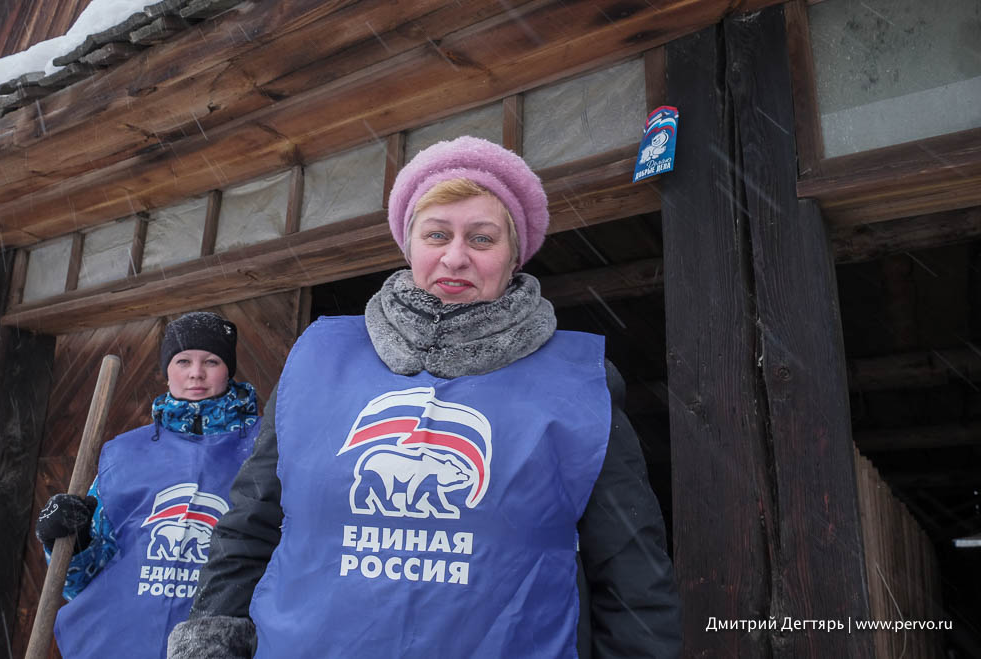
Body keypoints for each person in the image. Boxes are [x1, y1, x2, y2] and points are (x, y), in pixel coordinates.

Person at [168, 137, 681, 658]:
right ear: (408, 244)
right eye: (436, 234)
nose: (455, 257)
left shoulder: (578, 383)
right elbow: (248, 526)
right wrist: (210, 636)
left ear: (514, 256)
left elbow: (632, 572)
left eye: (482, 239)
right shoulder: (317, 361)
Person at [35, 311, 261, 659]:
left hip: (220, 643)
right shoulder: (125, 453)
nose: (196, 373)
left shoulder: (264, 448)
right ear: (167, 370)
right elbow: (79, 582)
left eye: (211, 361)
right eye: (183, 361)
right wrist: (71, 543)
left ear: (228, 369)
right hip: (123, 641)